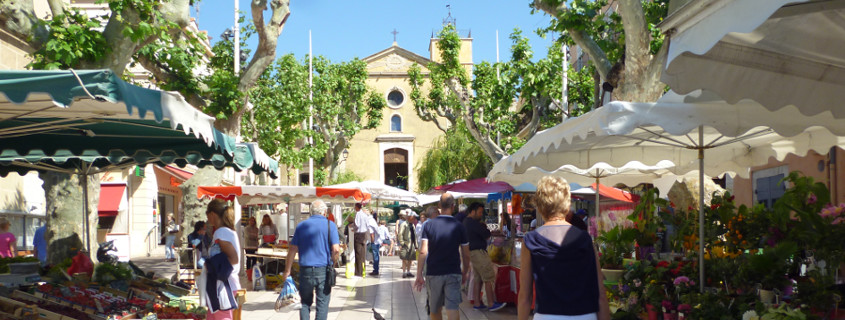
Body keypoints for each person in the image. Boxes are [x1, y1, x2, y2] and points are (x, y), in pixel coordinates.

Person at [518, 176, 610, 320]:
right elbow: (600, 292)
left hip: (547, 315)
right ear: (567, 205)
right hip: (584, 315)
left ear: (540, 206)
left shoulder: (531, 241)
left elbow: (525, 295)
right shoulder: (584, 239)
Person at [414, 193, 470, 320]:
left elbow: (423, 251)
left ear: (439, 205)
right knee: (453, 308)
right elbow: (466, 254)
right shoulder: (459, 226)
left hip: (434, 272)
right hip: (453, 271)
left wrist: (419, 274)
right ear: (453, 206)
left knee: (435, 309)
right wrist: (465, 272)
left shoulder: (428, 225)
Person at [283, 200, 340, 320]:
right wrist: (333, 263)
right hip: (323, 270)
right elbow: (336, 250)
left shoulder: (301, 226)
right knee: (322, 304)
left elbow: (292, 249)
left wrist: (287, 270)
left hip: (305, 270)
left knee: (304, 303)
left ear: (311, 212)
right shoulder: (330, 225)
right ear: (324, 212)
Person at [200, 199, 241, 320]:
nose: (207, 219)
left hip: (223, 285)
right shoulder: (226, 231)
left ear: (212, 214)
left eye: (207, 215)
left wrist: (211, 265)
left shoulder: (221, 232)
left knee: (223, 317)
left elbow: (233, 258)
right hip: (222, 284)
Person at [464, 202, 506, 311]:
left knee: (478, 278)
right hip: (479, 252)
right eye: (479, 212)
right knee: (488, 276)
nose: (481, 214)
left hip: (472, 252)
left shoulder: (466, 222)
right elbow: (486, 234)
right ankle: (491, 303)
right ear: (473, 211)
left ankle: (477, 302)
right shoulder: (473, 223)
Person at [352, 203, 373, 277]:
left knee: (358, 253)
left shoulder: (358, 214)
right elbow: (368, 225)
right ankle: (363, 270)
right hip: (364, 234)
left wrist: (353, 228)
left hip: (358, 234)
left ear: (357, 207)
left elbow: (357, 224)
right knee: (363, 253)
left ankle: (358, 271)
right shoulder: (365, 215)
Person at [398, 210, 417, 278]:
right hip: (406, 244)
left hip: (412, 244)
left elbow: (414, 235)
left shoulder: (412, 225)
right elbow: (400, 234)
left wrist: (416, 245)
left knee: (410, 258)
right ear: (410, 217)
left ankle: (408, 271)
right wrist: (402, 243)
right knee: (404, 258)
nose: (415, 219)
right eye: (414, 217)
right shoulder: (404, 224)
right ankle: (404, 272)